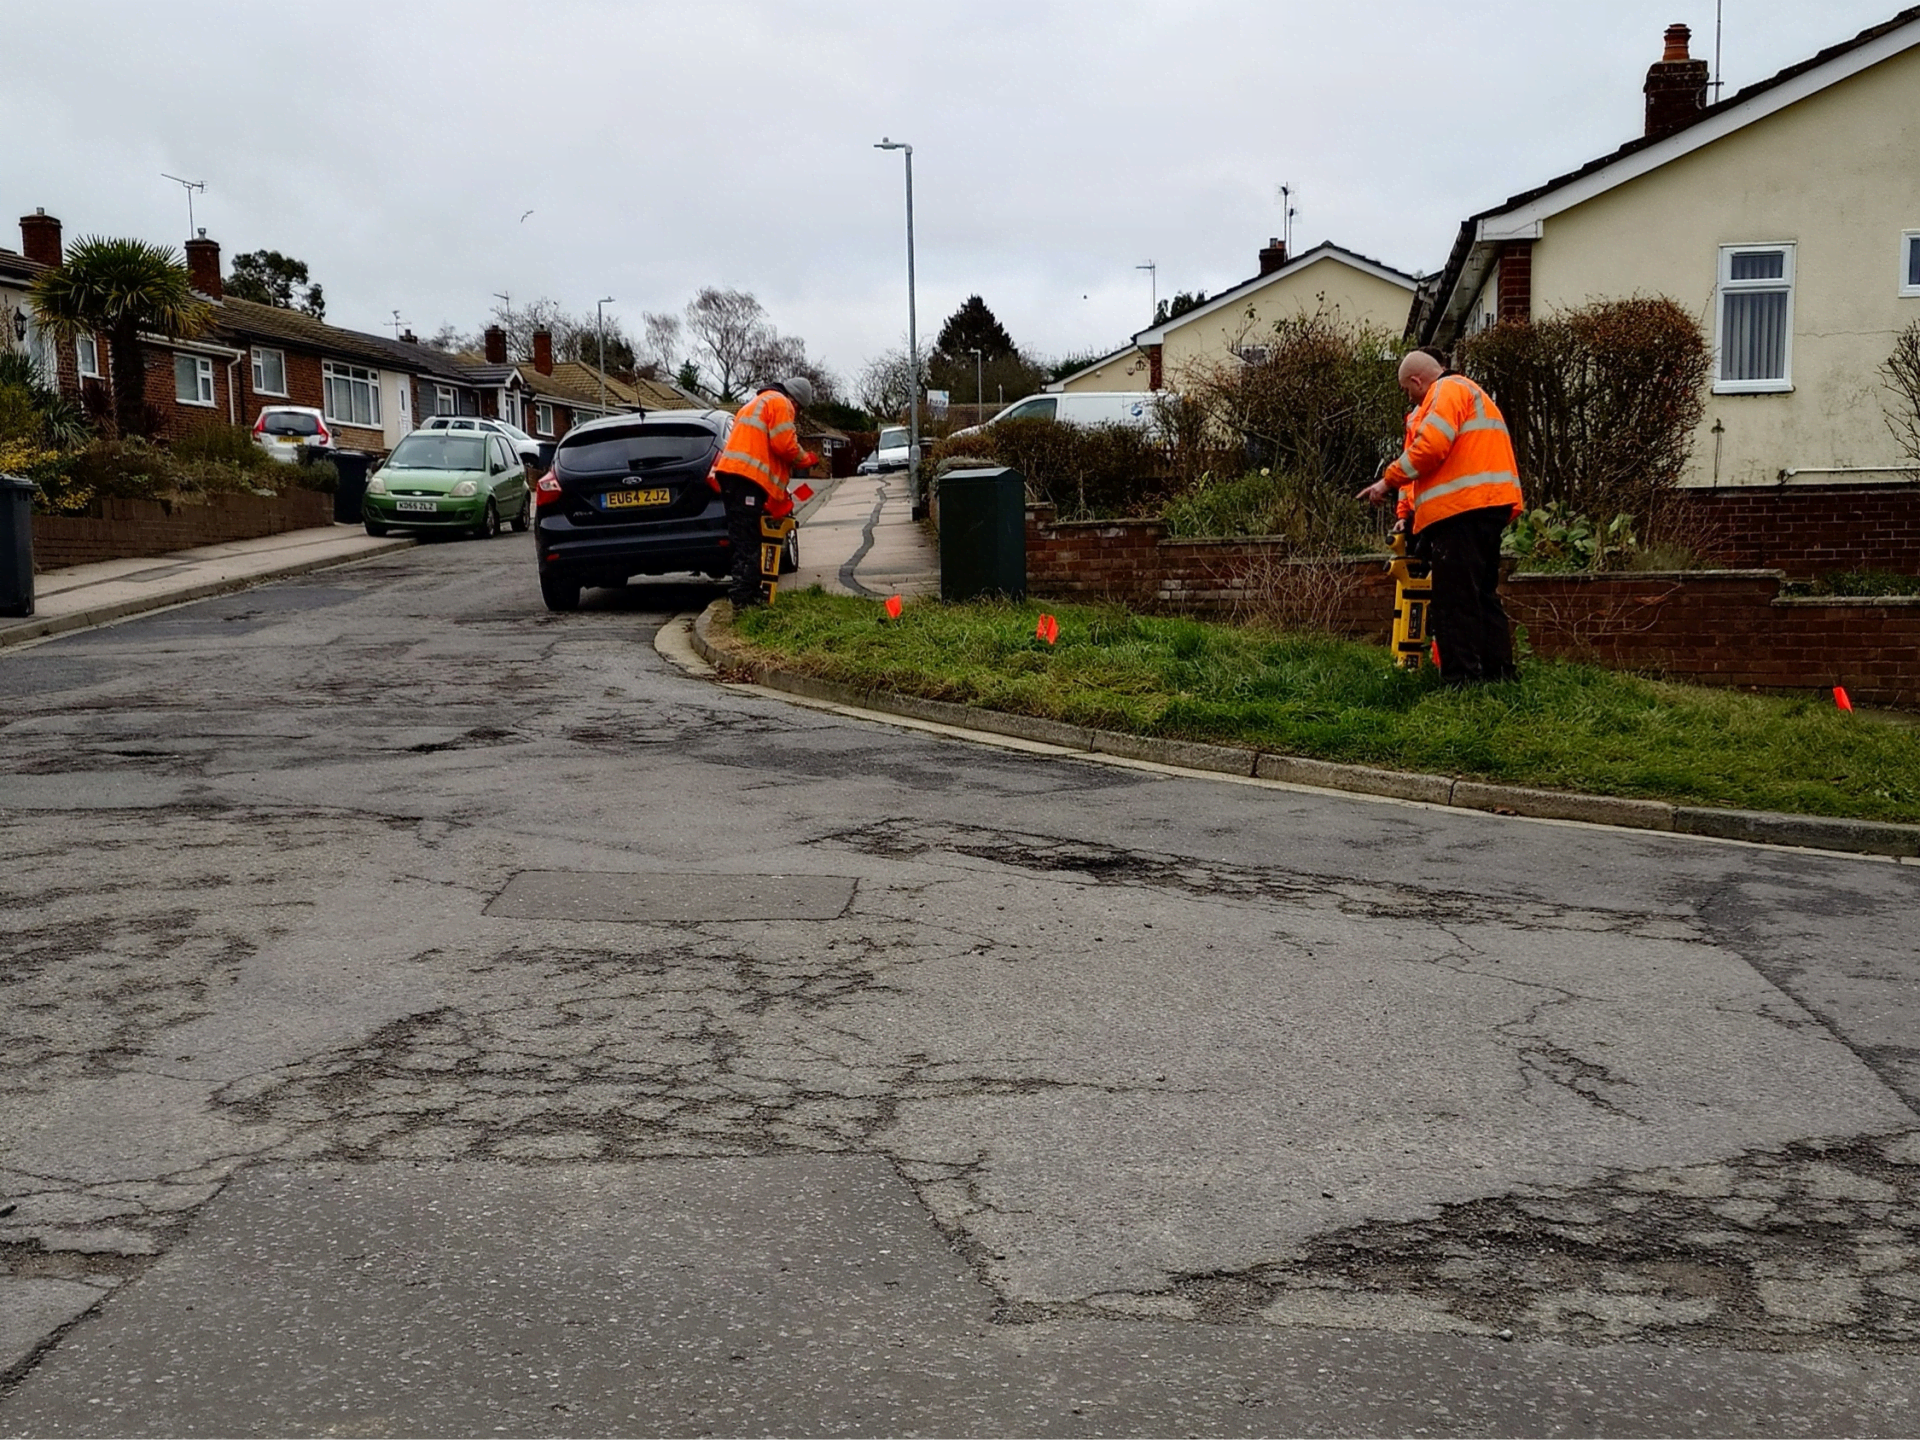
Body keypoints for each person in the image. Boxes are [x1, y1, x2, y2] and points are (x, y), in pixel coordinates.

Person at [1358, 349, 1524, 684]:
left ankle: (1462, 681)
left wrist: (1386, 482)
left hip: (1459, 512)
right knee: (1482, 595)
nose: (1410, 397)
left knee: (1454, 599)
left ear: (1418, 381)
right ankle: (1499, 676)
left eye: (1408, 389)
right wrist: (1406, 512)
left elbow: (1430, 449)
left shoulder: (1444, 392)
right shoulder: (1471, 392)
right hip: (1489, 505)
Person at [710, 376, 820, 609]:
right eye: (799, 407)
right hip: (745, 479)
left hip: (732, 477)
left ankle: (747, 594)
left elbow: (763, 451)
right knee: (749, 541)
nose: (796, 412)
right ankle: (744, 600)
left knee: (742, 538)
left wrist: (774, 497)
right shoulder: (781, 403)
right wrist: (805, 459)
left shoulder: (754, 403)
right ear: (795, 399)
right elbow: (784, 444)